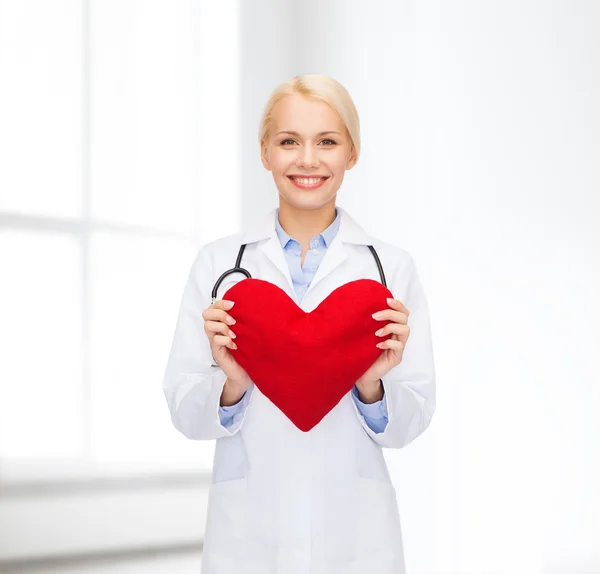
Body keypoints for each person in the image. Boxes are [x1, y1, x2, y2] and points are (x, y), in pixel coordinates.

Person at [162, 74, 436, 574]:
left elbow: (412, 418)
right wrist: (234, 381)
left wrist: (371, 381)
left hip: (356, 537)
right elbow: (183, 406)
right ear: (265, 152)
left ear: (352, 153)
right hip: (249, 536)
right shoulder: (218, 264)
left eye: (327, 142)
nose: (307, 159)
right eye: (289, 141)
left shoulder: (390, 270)